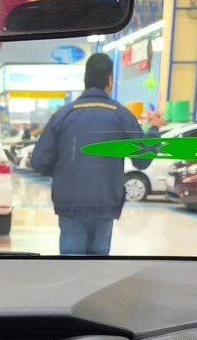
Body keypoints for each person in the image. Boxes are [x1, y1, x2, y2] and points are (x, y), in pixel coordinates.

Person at [30, 53, 148, 256]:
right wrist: (154, 130)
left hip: (70, 204)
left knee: (71, 267)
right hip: (105, 203)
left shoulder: (63, 115)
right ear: (109, 80)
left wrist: (63, 172)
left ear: (85, 80)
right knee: (98, 268)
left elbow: (39, 161)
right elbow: (142, 160)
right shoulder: (122, 116)